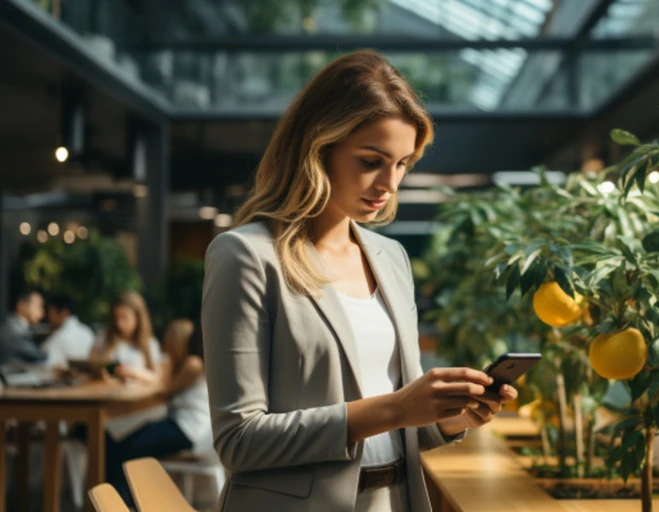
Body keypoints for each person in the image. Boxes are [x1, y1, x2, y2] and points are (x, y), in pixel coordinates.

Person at [202, 50, 517, 512]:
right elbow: (239, 441)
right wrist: (395, 408)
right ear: (317, 146)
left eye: (403, 163)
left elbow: (402, 434)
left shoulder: (391, 258)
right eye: (372, 160)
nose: (390, 182)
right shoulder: (246, 256)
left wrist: (450, 418)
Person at [104, 318, 214, 506]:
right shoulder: (183, 363)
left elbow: (165, 391)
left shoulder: (193, 363)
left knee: (126, 447)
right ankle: (123, 500)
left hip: (190, 430)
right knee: (118, 440)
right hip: (180, 424)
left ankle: (124, 502)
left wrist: (137, 374)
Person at [90, 291, 168, 440]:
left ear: (138, 318)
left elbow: (158, 378)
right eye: (116, 317)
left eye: (125, 317)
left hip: (138, 409)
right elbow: (93, 367)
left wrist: (134, 372)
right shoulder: (105, 339)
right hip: (111, 403)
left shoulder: (149, 344)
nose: (119, 323)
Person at [40, 294, 95, 368]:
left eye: (51, 312)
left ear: (64, 313)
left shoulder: (58, 337)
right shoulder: (87, 332)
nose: (48, 318)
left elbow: (41, 363)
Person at [0, 288, 46, 364]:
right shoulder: (14, 330)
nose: (42, 313)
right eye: (38, 306)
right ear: (22, 305)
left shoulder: (12, 326)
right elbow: (38, 357)